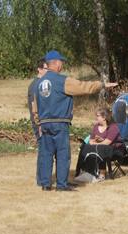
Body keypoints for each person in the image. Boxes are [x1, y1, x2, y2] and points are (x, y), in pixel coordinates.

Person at [34, 50, 118, 192]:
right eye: (61, 61)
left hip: (44, 123)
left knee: (47, 154)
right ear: (55, 62)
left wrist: (39, 123)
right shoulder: (62, 81)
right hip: (59, 122)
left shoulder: (38, 83)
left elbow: (35, 106)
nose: (62, 64)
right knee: (63, 154)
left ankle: (46, 185)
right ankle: (61, 185)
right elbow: (83, 87)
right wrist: (102, 85)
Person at [74, 108, 122, 183]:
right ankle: (86, 172)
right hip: (100, 147)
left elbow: (107, 143)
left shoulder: (113, 127)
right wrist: (95, 141)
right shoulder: (95, 126)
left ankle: (102, 175)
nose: (96, 117)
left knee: (101, 149)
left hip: (114, 150)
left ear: (104, 118)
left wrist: (94, 142)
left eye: (97, 116)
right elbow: (91, 140)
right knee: (86, 148)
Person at [28, 59, 48, 188]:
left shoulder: (43, 83)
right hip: (39, 124)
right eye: (46, 68)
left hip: (45, 122)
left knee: (47, 152)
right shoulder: (35, 85)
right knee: (42, 152)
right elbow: (34, 106)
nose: (47, 71)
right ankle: (40, 181)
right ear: (39, 69)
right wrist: (39, 124)